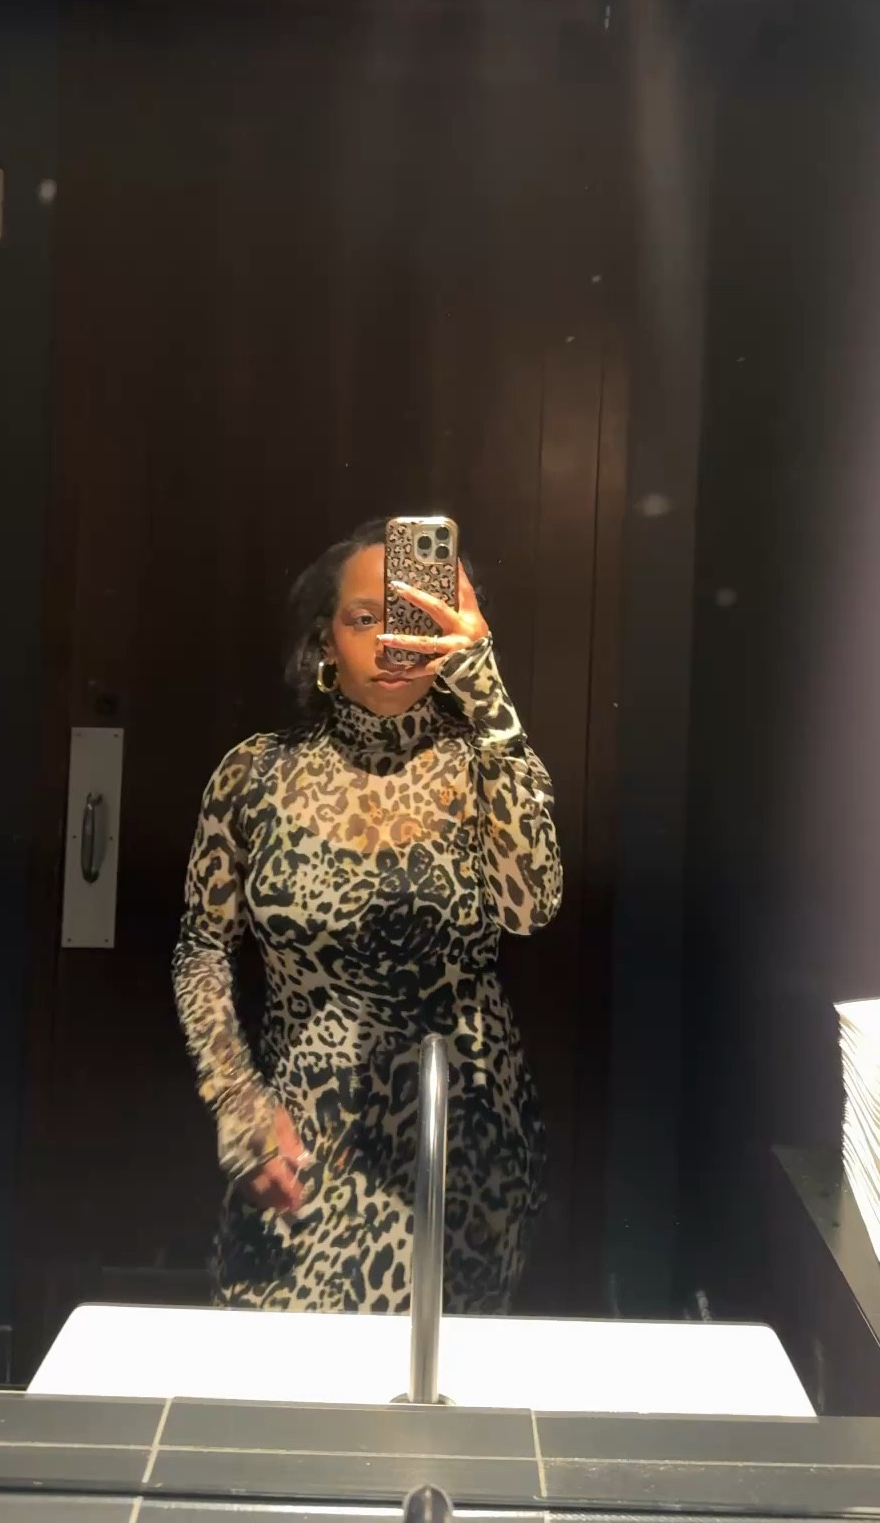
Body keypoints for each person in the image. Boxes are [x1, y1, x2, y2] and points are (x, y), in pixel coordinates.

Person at [172, 516, 563, 1313]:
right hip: (296, 1140)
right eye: (363, 618)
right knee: (279, 1376)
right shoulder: (253, 774)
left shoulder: (483, 764)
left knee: (438, 1379)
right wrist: (237, 1103)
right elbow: (202, 950)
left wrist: (486, 691)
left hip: (462, 1141)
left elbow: (531, 905)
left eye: (414, 617)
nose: (391, 642)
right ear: (325, 638)